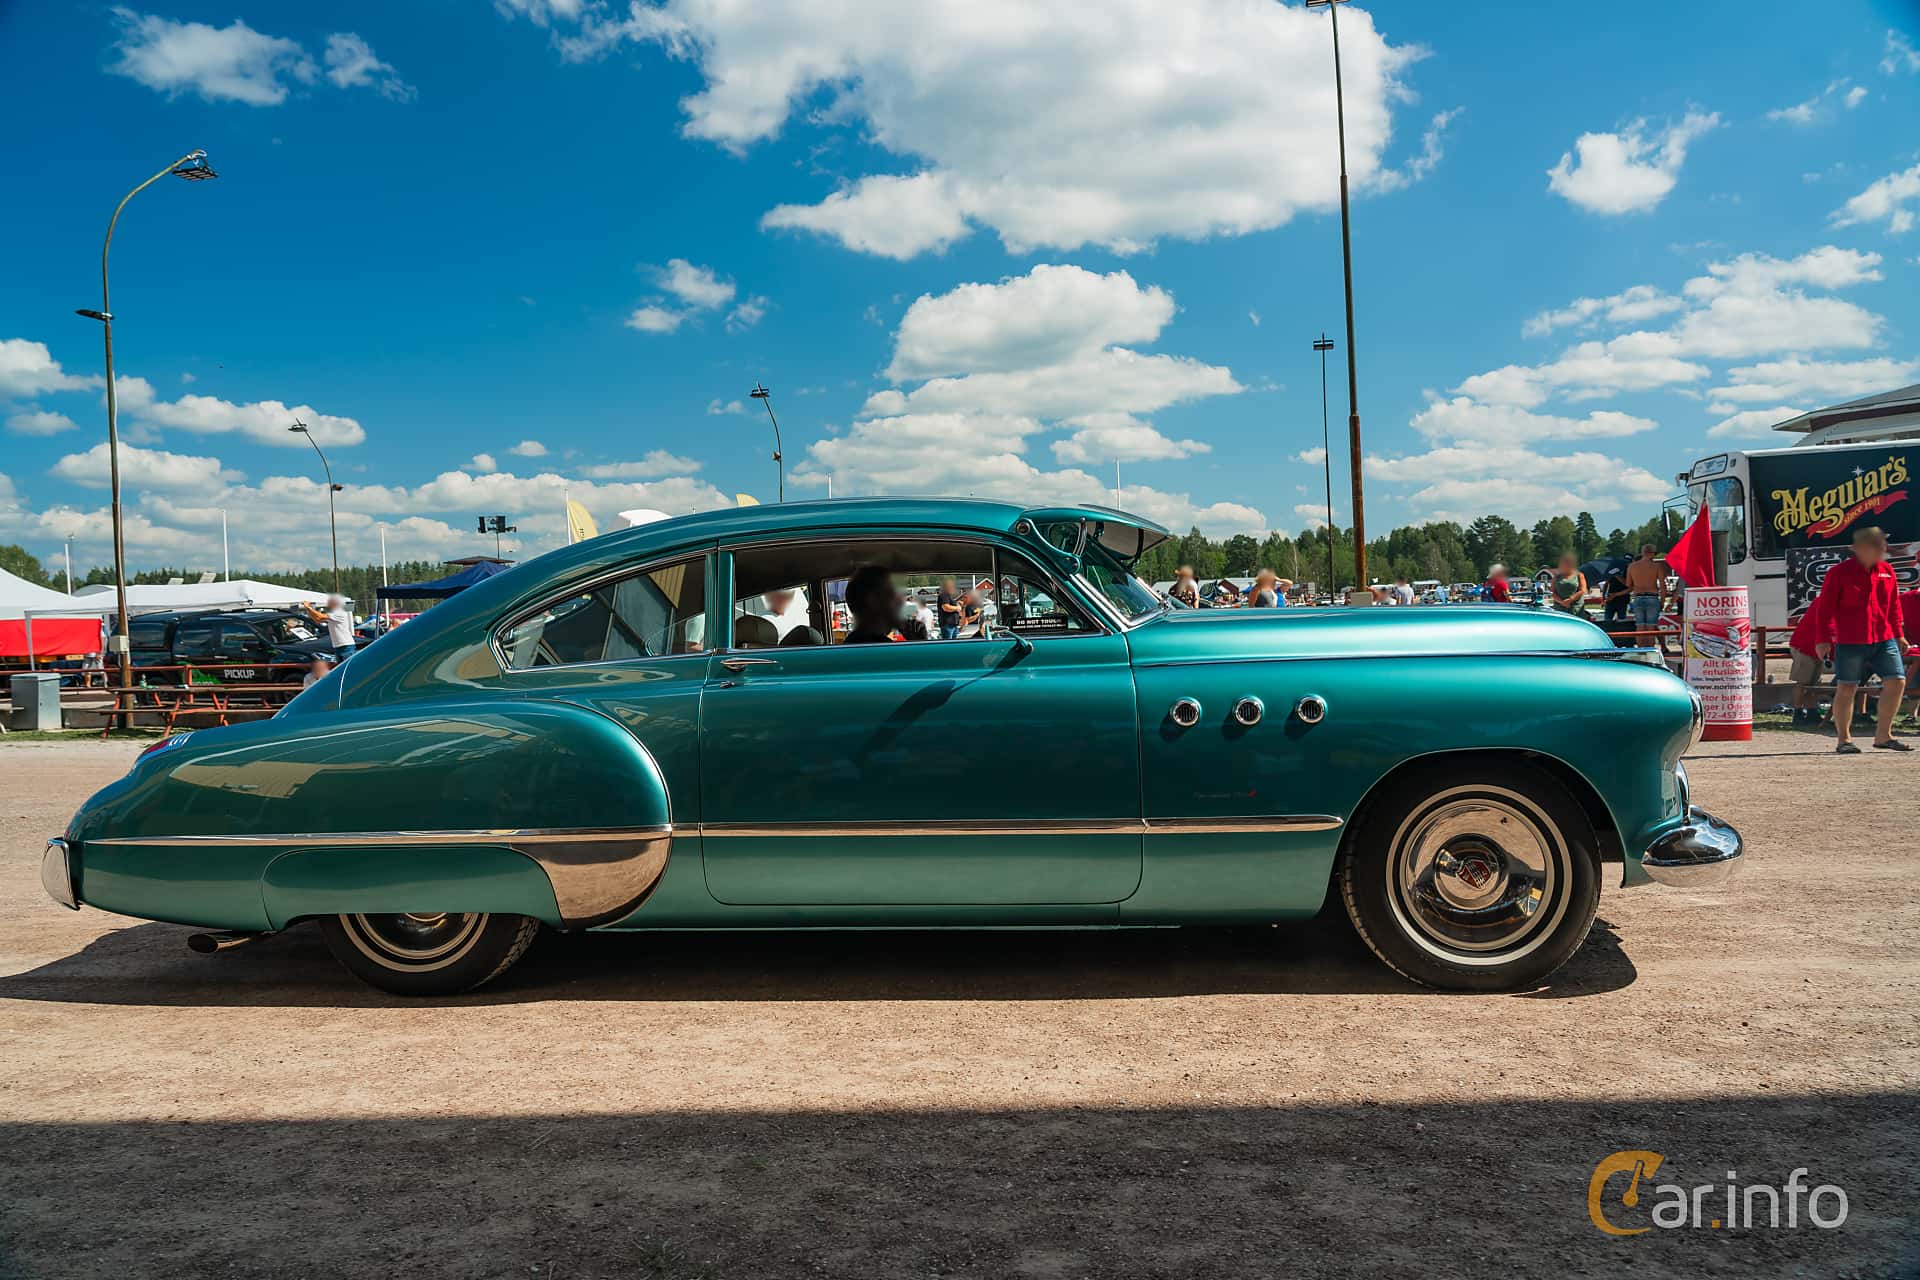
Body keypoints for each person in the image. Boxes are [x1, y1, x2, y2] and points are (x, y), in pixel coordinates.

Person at [1810, 526, 1912, 754]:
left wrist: (1899, 634)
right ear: (1860, 549)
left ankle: (1884, 735)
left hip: (1883, 637)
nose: (1882, 549)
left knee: (1897, 681)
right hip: (1850, 639)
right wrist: (1822, 639)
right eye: (1876, 545)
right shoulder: (1839, 573)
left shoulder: (1886, 571)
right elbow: (1824, 609)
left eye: (1882, 545)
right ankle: (1843, 740)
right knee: (1847, 687)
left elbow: (1894, 606)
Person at [1787, 595, 1833, 728]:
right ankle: (1798, 712)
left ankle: (1812, 711)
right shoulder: (1824, 602)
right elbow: (1831, 628)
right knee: (1802, 682)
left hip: (1816, 648)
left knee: (1813, 683)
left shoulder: (1828, 601)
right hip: (1804, 646)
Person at [842, 566, 902, 644]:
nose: (900, 601)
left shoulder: (851, 644)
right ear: (873, 601)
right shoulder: (885, 648)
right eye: (891, 594)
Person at [1624, 544, 1667, 648]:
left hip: (1638, 597)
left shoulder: (1632, 566)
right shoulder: (1657, 566)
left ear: (1642, 553)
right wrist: (1662, 601)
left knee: (1640, 627)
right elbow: (1662, 585)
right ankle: (1649, 653)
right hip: (1652, 597)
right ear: (1652, 554)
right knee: (1651, 628)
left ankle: (1640, 652)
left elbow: (1628, 584)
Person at [301, 594, 357, 661]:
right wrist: (309, 609)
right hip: (339, 646)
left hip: (346, 646)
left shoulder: (340, 612)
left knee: (347, 668)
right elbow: (318, 620)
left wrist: (308, 608)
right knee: (342, 669)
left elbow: (320, 616)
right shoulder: (334, 613)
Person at [1550, 553, 1589, 618]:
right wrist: (1562, 602)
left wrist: (1570, 600)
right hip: (1559, 608)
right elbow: (1552, 592)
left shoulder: (1579, 575)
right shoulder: (1556, 576)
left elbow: (1582, 590)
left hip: (1576, 608)